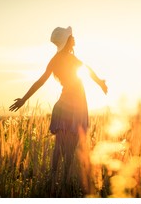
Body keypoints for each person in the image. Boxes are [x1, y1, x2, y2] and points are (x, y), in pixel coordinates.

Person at [9, 26, 108, 194]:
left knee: (60, 147)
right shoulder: (69, 58)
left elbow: (40, 81)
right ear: (67, 41)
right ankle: (62, 185)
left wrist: (24, 99)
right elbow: (88, 69)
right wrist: (100, 82)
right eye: (71, 36)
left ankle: (54, 183)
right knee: (69, 150)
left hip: (63, 106)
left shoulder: (55, 60)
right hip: (75, 106)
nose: (74, 38)